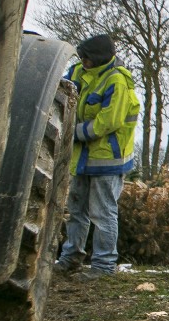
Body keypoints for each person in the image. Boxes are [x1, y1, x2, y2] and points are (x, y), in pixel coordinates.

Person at [52, 34, 141, 280]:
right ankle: (70, 258)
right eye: (81, 57)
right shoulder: (78, 72)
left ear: (99, 58)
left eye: (87, 58)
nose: (83, 61)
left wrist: (74, 132)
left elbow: (108, 122)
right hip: (81, 157)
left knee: (103, 213)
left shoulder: (118, 81)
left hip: (108, 159)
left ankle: (103, 266)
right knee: (76, 210)